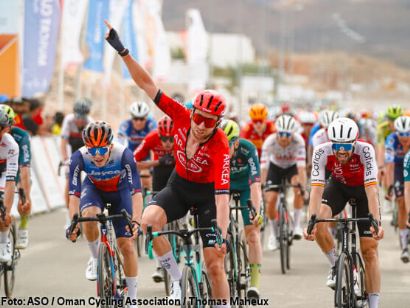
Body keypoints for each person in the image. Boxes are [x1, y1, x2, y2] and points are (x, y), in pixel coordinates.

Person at [105, 21, 231, 306]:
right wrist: (123, 51)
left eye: (209, 122)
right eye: (198, 117)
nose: (200, 125)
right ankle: (175, 279)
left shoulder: (220, 145)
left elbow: (223, 199)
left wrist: (221, 234)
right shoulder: (181, 116)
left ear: (218, 123)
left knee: (214, 264)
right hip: (180, 185)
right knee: (150, 224)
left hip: (209, 196)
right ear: (192, 112)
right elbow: (147, 84)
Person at [304, 117, 383, 308]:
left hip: (363, 190)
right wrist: (310, 221)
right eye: (337, 145)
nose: (340, 150)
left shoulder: (365, 150)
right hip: (338, 186)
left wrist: (377, 223)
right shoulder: (322, 151)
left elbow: (372, 189)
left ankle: (373, 304)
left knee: (369, 251)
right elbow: (316, 189)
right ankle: (335, 265)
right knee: (320, 221)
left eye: (346, 146)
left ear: (354, 143)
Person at [65, 121, 142, 307]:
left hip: (120, 192)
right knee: (89, 216)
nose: (97, 156)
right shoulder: (79, 157)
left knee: (126, 245)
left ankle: (132, 299)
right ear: (86, 148)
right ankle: (94, 257)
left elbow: (137, 192)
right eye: (92, 151)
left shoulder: (124, 155)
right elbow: (73, 195)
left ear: (110, 145)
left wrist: (136, 221)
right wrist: (73, 223)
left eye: (102, 150)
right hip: (94, 190)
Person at [221, 119, 263, 299]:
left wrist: (257, 211)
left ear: (236, 142)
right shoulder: (216, 149)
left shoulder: (248, 149)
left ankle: (254, 284)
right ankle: (222, 275)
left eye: (229, 144)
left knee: (252, 234)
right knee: (221, 235)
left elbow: (255, 184)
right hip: (225, 187)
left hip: (246, 187)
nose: (225, 148)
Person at [134, 115, 175, 282]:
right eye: (164, 138)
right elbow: (134, 160)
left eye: (171, 138)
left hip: (178, 173)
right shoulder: (151, 138)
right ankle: (160, 264)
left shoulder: (183, 137)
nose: (167, 142)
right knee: (159, 221)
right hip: (159, 173)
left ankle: (185, 222)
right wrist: (157, 162)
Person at [261, 114, 307, 249]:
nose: (284, 138)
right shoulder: (269, 142)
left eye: (287, 134)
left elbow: (301, 168)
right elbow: (264, 168)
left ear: (293, 134)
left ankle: (296, 225)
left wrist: (303, 187)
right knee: (271, 200)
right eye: (281, 134)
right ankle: (274, 235)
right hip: (275, 168)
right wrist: (263, 186)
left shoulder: (299, 142)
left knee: (298, 189)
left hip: (292, 167)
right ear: (277, 133)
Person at [1, 105, 32, 249]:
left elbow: (24, 169)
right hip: (3, 168)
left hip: (18, 169)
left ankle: (23, 228)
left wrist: (25, 195)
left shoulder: (21, 136)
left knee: (23, 200)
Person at [60, 99, 93, 227]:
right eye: (77, 116)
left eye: (82, 117)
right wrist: (64, 159)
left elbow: (92, 146)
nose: (79, 120)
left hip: (86, 152)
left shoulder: (90, 123)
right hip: (72, 152)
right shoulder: (68, 120)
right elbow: (63, 143)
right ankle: (69, 216)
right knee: (69, 182)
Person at [384, 115, 410, 262]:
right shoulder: (392, 140)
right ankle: (405, 245)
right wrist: (389, 186)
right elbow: (389, 166)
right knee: (401, 203)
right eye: (401, 134)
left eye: (407, 134)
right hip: (399, 169)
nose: (404, 137)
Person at [118, 101, 157, 190]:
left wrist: (152, 165)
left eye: (142, 119)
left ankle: (147, 194)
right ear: (131, 118)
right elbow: (120, 144)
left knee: (146, 175)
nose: (138, 122)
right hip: (132, 154)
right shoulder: (126, 124)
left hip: (146, 155)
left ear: (146, 118)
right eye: (135, 119)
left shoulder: (151, 124)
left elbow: (155, 146)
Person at [0, 106, 19, 262]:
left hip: (4, 174)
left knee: (2, 213)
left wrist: (6, 210)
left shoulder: (11, 145)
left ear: (6, 129)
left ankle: (4, 242)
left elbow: (11, 181)